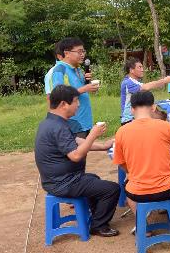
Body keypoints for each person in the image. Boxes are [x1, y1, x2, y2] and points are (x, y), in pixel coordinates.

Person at [35, 85, 120, 237]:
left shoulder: (51, 122)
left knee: (94, 179)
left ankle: (95, 217)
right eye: (75, 101)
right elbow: (75, 155)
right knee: (112, 189)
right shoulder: (57, 127)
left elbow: (75, 141)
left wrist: (103, 146)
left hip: (56, 180)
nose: (79, 104)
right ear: (63, 104)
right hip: (64, 183)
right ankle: (98, 225)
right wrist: (93, 135)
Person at [112, 90, 170, 235]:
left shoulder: (122, 131)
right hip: (167, 188)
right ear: (153, 107)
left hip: (138, 192)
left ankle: (143, 228)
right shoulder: (164, 126)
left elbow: (120, 162)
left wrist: (130, 173)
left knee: (128, 184)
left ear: (132, 109)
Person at [44, 37, 100, 136]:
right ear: (67, 53)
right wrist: (84, 89)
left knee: (83, 150)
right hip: (72, 123)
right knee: (75, 151)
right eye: (79, 52)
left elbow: (78, 90)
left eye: (83, 51)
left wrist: (87, 83)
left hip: (84, 120)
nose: (82, 55)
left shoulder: (77, 69)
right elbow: (58, 96)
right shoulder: (59, 70)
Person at [119, 57, 170, 124]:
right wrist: (164, 81)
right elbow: (146, 87)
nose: (142, 70)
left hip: (139, 117)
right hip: (129, 120)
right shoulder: (127, 82)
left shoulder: (136, 82)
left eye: (142, 67)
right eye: (139, 67)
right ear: (131, 70)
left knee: (163, 117)